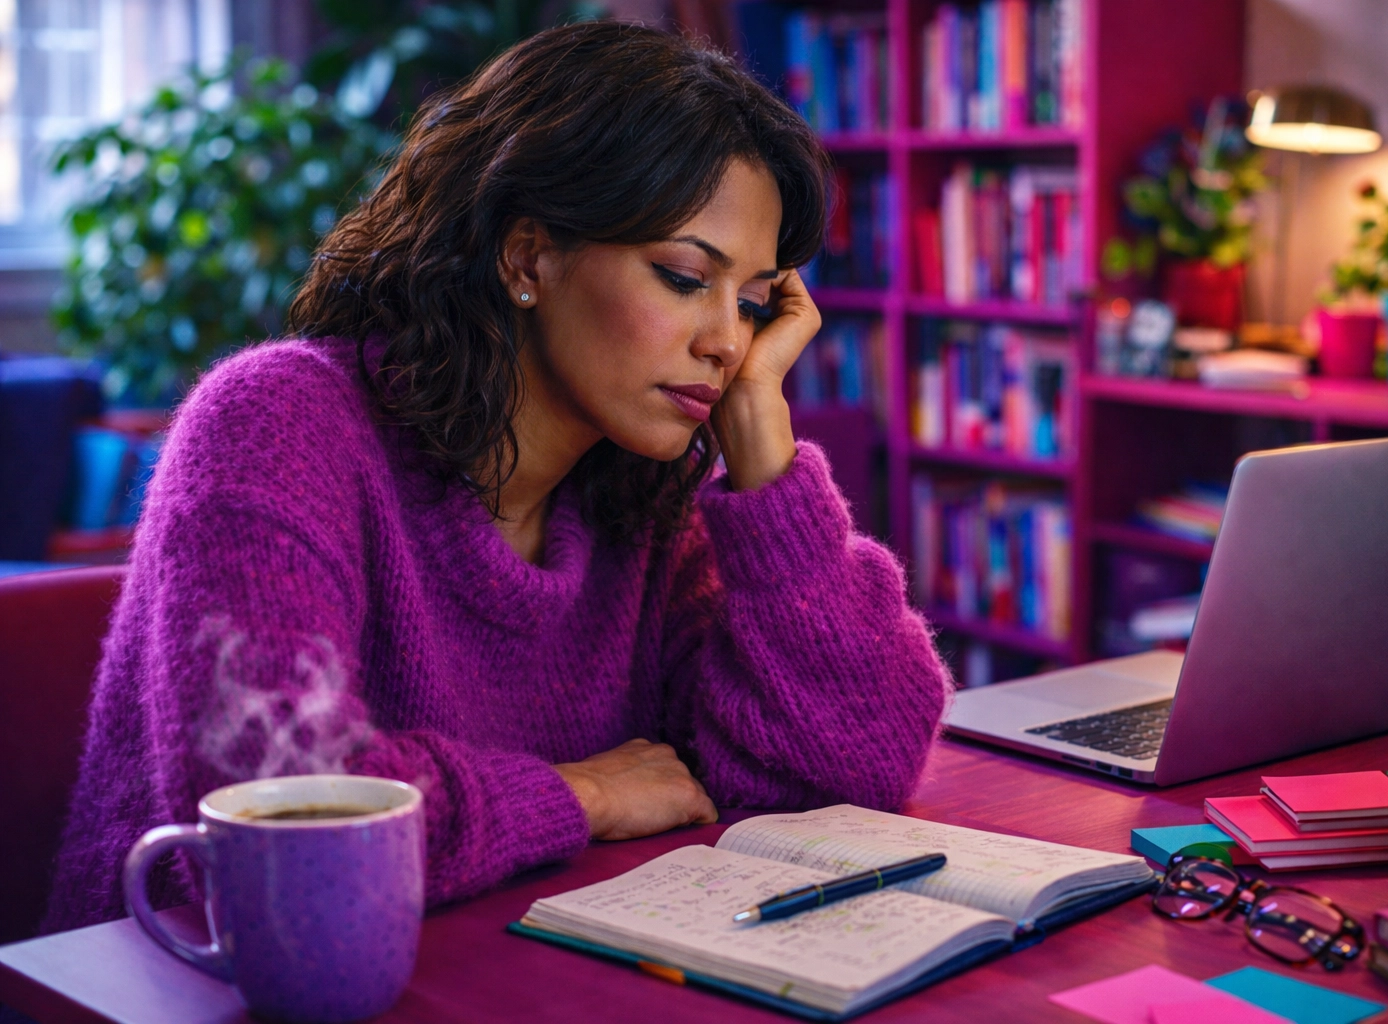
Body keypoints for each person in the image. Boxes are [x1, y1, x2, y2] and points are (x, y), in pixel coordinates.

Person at [44, 21, 950, 933]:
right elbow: (283, 816)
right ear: (528, 257)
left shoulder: (641, 493)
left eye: (754, 303)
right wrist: (580, 796)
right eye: (683, 277)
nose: (727, 341)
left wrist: (766, 454)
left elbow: (854, 762)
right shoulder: (274, 426)